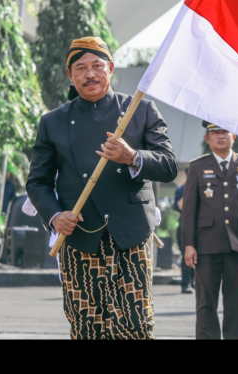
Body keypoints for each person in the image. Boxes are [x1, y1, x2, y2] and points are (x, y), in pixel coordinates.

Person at [26, 36, 178, 340]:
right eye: (80, 68)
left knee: (135, 325)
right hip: (79, 236)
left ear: (110, 68)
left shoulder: (141, 110)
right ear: (70, 75)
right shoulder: (52, 122)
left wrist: (132, 157)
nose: (90, 74)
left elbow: (169, 165)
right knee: (86, 324)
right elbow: (38, 181)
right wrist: (56, 216)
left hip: (131, 234)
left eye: (97, 66)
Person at [181, 121, 238, 339]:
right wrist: (188, 244)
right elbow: (189, 210)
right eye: (214, 132)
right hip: (206, 245)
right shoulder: (197, 167)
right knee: (206, 302)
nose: (220, 136)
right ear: (206, 138)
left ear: (234, 136)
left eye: (224, 132)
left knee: (236, 302)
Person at [173, 172, 194, 294]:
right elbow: (179, 206)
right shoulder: (181, 189)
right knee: (186, 255)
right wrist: (189, 188)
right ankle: (185, 284)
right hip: (184, 226)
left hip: (201, 227)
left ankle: (195, 282)